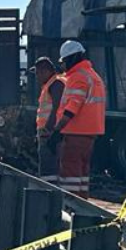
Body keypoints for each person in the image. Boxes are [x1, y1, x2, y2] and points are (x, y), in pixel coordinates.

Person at [49, 40, 106, 197]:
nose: (63, 66)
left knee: (70, 172)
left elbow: (72, 107)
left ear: (72, 59)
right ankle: (82, 207)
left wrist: (57, 130)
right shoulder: (94, 76)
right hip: (89, 135)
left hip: (75, 134)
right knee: (82, 173)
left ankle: (70, 206)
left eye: (65, 61)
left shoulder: (78, 77)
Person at [32, 56, 66, 183]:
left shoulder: (55, 84)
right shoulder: (52, 84)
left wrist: (48, 129)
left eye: (38, 73)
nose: (37, 77)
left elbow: (57, 107)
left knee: (48, 168)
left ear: (45, 71)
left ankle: (48, 193)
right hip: (49, 132)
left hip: (49, 133)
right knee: (50, 166)